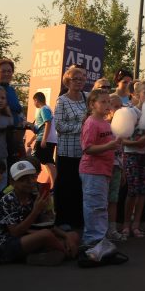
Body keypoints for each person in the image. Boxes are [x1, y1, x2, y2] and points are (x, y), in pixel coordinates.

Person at [0, 159, 79, 265]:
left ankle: (45, 255)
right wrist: (36, 211)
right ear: (13, 182)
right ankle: (65, 253)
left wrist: (66, 236)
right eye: (24, 180)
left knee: (72, 235)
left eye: (32, 178)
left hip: (29, 235)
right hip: (6, 243)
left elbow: (47, 224)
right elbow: (15, 232)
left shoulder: (34, 195)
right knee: (46, 235)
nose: (30, 182)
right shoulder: (8, 200)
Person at [80, 88, 123, 250]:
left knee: (101, 205)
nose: (107, 105)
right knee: (94, 206)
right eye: (103, 102)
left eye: (108, 102)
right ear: (92, 104)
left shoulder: (105, 123)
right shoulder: (91, 123)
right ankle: (92, 240)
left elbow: (110, 145)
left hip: (103, 170)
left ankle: (99, 238)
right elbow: (87, 148)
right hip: (92, 171)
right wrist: (109, 145)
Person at [121, 81, 145, 239]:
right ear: (137, 95)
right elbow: (121, 140)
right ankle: (126, 224)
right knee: (133, 191)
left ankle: (136, 225)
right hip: (131, 155)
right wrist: (137, 143)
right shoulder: (130, 113)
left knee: (143, 191)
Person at [54, 65, 88, 229]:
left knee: (80, 188)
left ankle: (78, 220)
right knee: (66, 186)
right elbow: (59, 126)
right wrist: (82, 127)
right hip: (67, 152)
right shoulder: (62, 100)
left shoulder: (87, 98)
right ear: (68, 81)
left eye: (82, 78)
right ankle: (63, 221)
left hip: (84, 151)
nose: (79, 81)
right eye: (76, 78)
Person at [0, 58, 31, 167]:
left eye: (9, 71)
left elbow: (17, 109)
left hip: (14, 136)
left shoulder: (11, 90)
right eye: (3, 71)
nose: (7, 74)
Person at [105, 93, 126, 241]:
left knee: (113, 199)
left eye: (121, 106)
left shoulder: (121, 127)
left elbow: (122, 150)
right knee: (102, 200)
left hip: (117, 167)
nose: (119, 109)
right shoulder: (103, 125)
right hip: (103, 168)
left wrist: (123, 168)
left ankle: (111, 229)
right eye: (115, 106)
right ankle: (100, 229)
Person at [26, 91, 57, 165]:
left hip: (44, 140)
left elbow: (48, 123)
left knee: (34, 161)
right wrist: (31, 141)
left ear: (36, 100)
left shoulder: (44, 109)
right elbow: (40, 129)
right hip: (47, 140)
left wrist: (44, 140)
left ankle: (33, 176)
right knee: (47, 162)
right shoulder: (47, 109)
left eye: (34, 101)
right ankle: (54, 177)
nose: (34, 104)